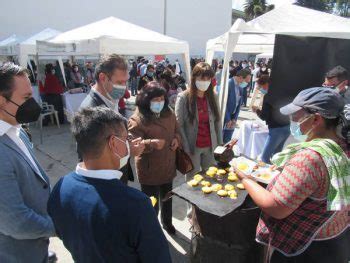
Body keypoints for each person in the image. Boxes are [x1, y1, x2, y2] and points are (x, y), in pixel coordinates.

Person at [235, 87, 350, 263]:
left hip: (305, 250)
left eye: (296, 116)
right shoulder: (341, 147)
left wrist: (245, 179)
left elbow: (276, 208)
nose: (292, 121)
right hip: (336, 241)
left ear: (316, 119)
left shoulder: (310, 158)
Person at [48, 107, 171, 263]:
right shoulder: (136, 205)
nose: (130, 144)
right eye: (126, 139)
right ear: (113, 142)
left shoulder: (60, 188)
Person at [0, 63, 56, 262]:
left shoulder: (18, 131)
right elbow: (15, 222)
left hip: (35, 250)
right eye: (26, 98)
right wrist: (60, 226)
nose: (33, 104)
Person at [79, 54, 145, 184]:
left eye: (126, 81)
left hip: (118, 176)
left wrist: (126, 137)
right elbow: (90, 159)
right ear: (103, 78)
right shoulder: (90, 110)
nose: (124, 87)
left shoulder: (111, 99)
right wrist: (127, 150)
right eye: (120, 82)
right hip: (106, 183)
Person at [128, 81, 181, 235]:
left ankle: (167, 223)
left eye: (162, 99)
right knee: (151, 203)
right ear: (146, 100)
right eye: (155, 100)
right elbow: (133, 145)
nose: (159, 103)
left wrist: (177, 139)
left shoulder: (168, 112)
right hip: (149, 168)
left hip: (168, 164)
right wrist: (151, 143)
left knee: (167, 198)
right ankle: (151, 230)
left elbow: (177, 130)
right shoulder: (136, 119)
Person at [175, 62, 222, 179]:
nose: (205, 81)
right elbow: (179, 124)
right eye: (202, 77)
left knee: (211, 177)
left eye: (208, 78)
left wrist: (220, 144)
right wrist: (185, 147)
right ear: (194, 77)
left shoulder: (213, 96)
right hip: (192, 147)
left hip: (211, 145)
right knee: (193, 179)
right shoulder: (184, 97)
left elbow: (217, 121)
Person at [223, 69, 251, 143]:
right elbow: (223, 104)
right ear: (241, 77)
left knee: (227, 140)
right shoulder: (228, 84)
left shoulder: (240, 87)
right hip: (225, 118)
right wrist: (227, 119)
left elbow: (238, 105)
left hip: (232, 119)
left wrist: (234, 118)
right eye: (247, 81)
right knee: (221, 140)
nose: (247, 83)